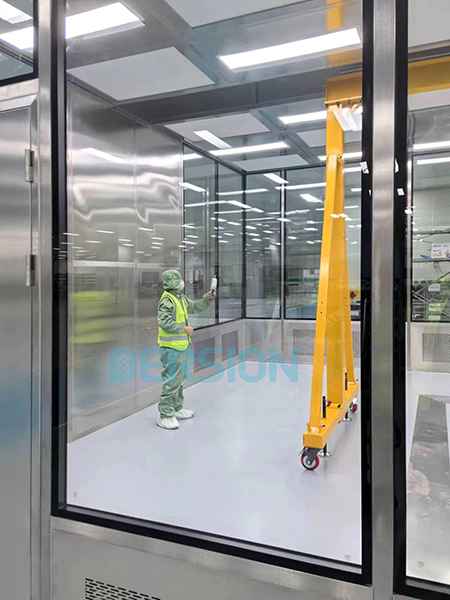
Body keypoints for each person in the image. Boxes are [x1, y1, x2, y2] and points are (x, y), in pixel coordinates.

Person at [156, 269, 215, 430]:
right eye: (179, 279)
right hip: (171, 349)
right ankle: (165, 414)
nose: (182, 281)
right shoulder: (167, 300)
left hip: (181, 347)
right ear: (172, 282)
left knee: (179, 380)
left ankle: (176, 408)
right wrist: (183, 329)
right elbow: (164, 322)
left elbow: (194, 307)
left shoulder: (180, 298)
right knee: (171, 381)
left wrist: (207, 298)